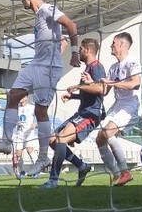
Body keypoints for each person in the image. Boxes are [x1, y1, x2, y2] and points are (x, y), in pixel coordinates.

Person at [0, 0, 80, 178]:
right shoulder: (39, 16)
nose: (23, 1)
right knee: (12, 95)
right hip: (36, 65)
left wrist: (74, 52)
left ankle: (43, 158)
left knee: (41, 111)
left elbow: (71, 25)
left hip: (47, 69)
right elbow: (58, 39)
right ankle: (6, 141)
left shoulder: (48, 8)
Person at [39, 38, 105, 189]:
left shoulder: (97, 67)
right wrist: (74, 96)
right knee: (52, 140)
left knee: (61, 139)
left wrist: (77, 86)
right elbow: (90, 92)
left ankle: (53, 180)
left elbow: (100, 90)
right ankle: (81, 166)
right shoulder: (88, 69)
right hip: (82, 112)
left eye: (81, 49)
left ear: (87, 50)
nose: (79, 52)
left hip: (91, 114)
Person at [95, 32, 142, 186]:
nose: (111, 46)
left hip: (131, 106)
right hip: (118, 106)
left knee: (107, 132)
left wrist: (112, 83)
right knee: (100, 138)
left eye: (113, 43)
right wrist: (85, 85)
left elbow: (135, 83)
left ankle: (125, 172)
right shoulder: (113, 67)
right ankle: (116, 174)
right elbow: (104, 90)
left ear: (121, 44)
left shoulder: (132, 62)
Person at [10, 96, 38, 177]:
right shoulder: (17, 108)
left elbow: (41, 116)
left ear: (26, 97)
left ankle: (37, 169)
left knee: (30, 150)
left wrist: (36, 123)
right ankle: (22, 170)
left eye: (22, 96)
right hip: (20, 132)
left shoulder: (32, 107)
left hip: (29, 132)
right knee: (18, 153)